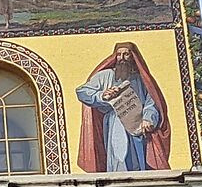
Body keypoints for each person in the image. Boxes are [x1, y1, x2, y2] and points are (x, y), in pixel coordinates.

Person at [73, 43, 170, 172]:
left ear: (133, 56)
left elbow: (151, 101)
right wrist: (102, 95)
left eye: (126, 54)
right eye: (119, 54)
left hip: (137, 123)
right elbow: (82, 91)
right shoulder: (106, 75)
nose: (122, 58)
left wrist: (148, 119)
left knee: (137, 159)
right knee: (118, 155)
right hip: (115, 121)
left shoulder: (141, 79)